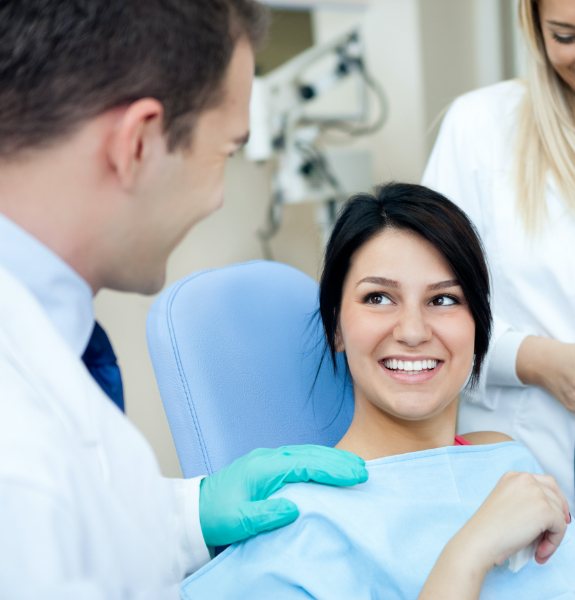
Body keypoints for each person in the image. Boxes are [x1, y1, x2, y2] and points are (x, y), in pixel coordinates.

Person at [0, 2, 371, 597]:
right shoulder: (17, 457)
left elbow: (84, 519)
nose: (218, 199)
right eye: (225, 151)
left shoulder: (40, 336)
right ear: (139, 141)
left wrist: (191, 513)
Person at [180, 183, 573, 599]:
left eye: (443, 300)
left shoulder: (505, 465)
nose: (413, 331)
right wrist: (468, 555)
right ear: (336, 327)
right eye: (379, 297)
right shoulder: (300, 528)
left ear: (478, 327)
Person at [422, 0, 575, 509]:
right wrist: (537, 361)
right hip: (525, 465)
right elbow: (425, 311)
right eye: (566, 35)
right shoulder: (481, 127)